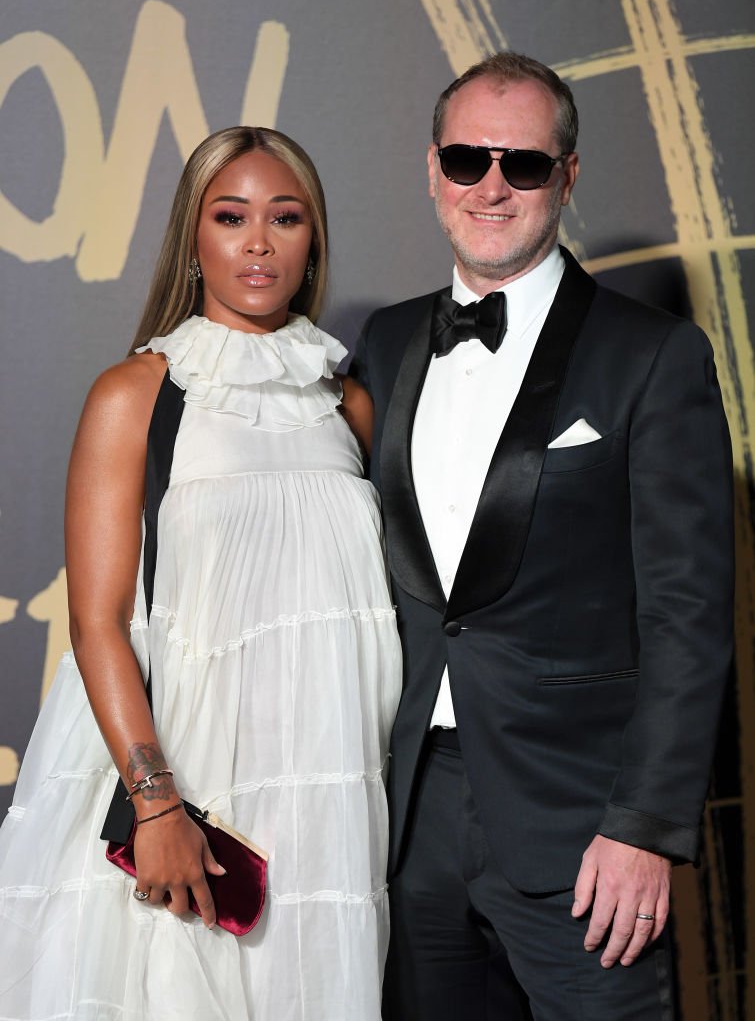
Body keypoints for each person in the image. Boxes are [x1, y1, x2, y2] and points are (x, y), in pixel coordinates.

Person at [350, 52, 734, 1020]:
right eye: (467, 158)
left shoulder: (650, 355)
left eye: (521, 164)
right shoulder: (387, 344)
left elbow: (687, 613)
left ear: (565, 177)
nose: (490, 185)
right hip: (409, 814)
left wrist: (644, 827)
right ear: (430, 168)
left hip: (580, 826)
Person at [0, 126, 401, 1020]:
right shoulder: (138, 394)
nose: (258, 242)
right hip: (192, 789)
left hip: (328, 786)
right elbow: (98, 619)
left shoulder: (347, 402)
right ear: (194, 238)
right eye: (231, 217)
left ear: (313, 239)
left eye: (284, 218)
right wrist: (155, 808)